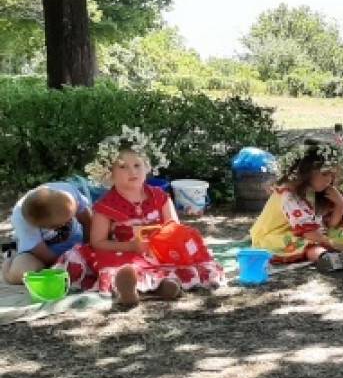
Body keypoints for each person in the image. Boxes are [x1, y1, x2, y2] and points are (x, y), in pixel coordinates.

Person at [58, 127, 225, 306]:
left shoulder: (160, 197)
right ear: (109, 174)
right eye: (123, 167)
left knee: (181, 259)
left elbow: (174, 227)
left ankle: (164, 286)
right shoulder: (105, 206)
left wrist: (163, 243)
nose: (133, 172)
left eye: (137, 165)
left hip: (160, 251)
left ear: (147, 168)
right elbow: (97, 242)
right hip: (125, 251)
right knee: (118, 264)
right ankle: (127, 286)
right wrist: (131, 246)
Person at [250, 140, 343, 271]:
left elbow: (331, 225)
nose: (330, 180)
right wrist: (335, 245)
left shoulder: (319, 190)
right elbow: (310, 234)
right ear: (306, 172)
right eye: (325, 174)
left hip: (308, 232)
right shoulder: (288, 195)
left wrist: (339, 205)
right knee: (309, 244)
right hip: (274, 235)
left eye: (332, 174)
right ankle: (327, 259)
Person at [2, 183, 93, 284]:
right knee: (26, 271)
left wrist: (87, 246)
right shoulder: (22, 220)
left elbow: (87, 220)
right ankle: (9, 265)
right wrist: (63, 262)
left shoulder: (67, 192)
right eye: (62, 223)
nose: (67, 222)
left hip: (75, 242)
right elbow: (42, 253)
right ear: (47, 227)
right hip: (42, 253)